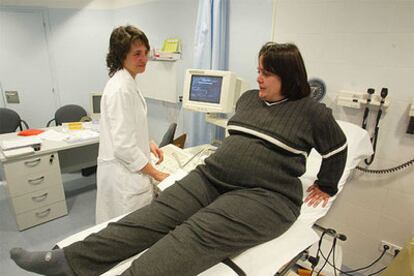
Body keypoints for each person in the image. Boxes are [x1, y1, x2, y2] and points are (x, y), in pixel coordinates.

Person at [10, 42, 348, 276]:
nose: (258, 77)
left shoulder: (313, 113)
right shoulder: (248, 99)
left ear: (288, 76)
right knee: (154, 216)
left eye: (266, 73)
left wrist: (326, 184)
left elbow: (337, 149)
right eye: (258, 70)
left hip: (266, 195)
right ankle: (68, 261)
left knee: (195, 233)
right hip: (211, 177)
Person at [95, 25, 169, 223]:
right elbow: (124, 146)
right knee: (125, 233)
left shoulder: (127, 82)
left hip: (125, 173)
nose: (144, 59)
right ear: (121, 55)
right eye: (137, 53)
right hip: (123, 178)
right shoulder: (121, 89)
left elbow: (130, 127)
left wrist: (148, 143)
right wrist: (156, 173)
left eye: (145, 53)